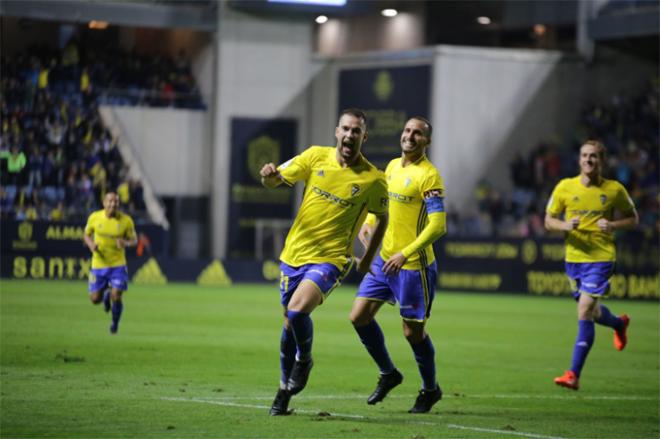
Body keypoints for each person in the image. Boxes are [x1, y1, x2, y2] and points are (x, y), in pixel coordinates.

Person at [260, 108, 389, 416]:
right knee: (290, 323)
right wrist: (268, 176)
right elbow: (275, 181)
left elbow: (382, 220)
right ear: (336, 132)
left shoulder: (373, 179)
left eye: (356, 130)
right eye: (345, 129)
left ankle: (305, 359)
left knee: (297, 310)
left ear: (364, 136)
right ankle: (283, 392)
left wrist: (366, 259)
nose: (349, 135)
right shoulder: (316, 157)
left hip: (332, 259)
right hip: (293, 255)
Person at [350, 117, 447, 413]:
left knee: (412, 334)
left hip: (413, 266)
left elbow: (438, 225)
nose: (410, 136)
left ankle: (430, 389)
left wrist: (405, 253)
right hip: (383, 260)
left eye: (417, 133)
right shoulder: (392, 167)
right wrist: (368, 225)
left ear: (426, 142)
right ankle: (389, 373)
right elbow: (382, 207)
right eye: (407, 131)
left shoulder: (429, 176)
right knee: (358, 317)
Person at [545, 140, 638, 390]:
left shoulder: (615, 189)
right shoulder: (565, 187)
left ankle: (573, 374)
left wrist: (614, 225)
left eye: (594, 156)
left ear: (602, 161)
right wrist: (564, 226)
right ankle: (619, 323)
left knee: (585, 309)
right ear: (579, 160)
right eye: (585, 155)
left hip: (601, 257)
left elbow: (633, 218)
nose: (588, 160)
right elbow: (548, 220)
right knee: (594, 312)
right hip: (574, 259)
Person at [83, 192, 137, 334]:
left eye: (116, 202)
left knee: (117, 295)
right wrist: (91, 245)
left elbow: (134, 240)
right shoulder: (95, 217)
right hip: (98, 264)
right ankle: (105, 295)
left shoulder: (126, 221)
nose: (113, 204)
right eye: (110, 201)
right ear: (104, 203)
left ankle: (115, 323)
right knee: (95, 299)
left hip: (118, 265)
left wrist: (125, 242)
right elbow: (86, 234)